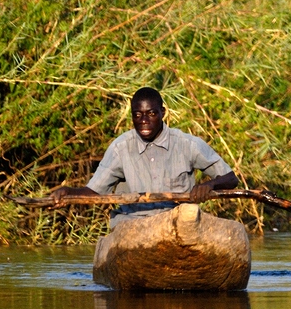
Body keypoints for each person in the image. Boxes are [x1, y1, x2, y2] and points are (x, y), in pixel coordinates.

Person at [50, 87, 239, 228]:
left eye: (151, 114)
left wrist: (208, 186)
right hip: (133, 226)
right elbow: (95, 192)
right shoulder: (120, 148)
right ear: (131, 115)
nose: (144, 120)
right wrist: (67, 192)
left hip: (177, 225)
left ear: (162, 113)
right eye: (138, 115)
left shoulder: (187, 144)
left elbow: (231, 179)